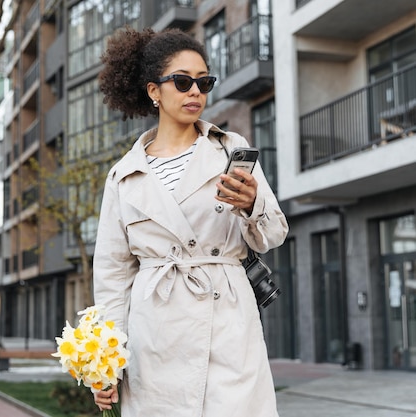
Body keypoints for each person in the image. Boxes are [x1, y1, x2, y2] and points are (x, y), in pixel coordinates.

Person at [92, 26, 289, 417]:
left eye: (204, 82)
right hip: (155, 333)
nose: (195, 92)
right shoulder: (124, 175)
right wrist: (106, 363)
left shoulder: (230, 149)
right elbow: (112, 277)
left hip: (228, 324)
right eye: (182, 82)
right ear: (154, 91)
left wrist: (251, 205)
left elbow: (274, 232)